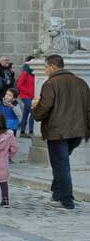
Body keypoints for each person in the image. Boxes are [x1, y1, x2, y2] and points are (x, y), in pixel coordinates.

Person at [32, 54, 90, 210]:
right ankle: (57, 193)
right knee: (61, 163)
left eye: (45, 67)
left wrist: (35, 112)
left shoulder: (51, 83)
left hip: (58, 132)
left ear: (52, 66)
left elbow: (44, 106)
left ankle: (66, 199)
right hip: (77, 131)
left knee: (61, 164)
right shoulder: (81, 82)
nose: (45, 71)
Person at [16, 56, 36, 138]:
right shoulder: (25, 72)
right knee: (33, 112)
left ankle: (22, 132)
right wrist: (28, 91)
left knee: (26, 113)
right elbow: (19, 85)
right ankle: (31, 131)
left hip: (31, 96)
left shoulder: (34, 72)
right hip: (25, 96)